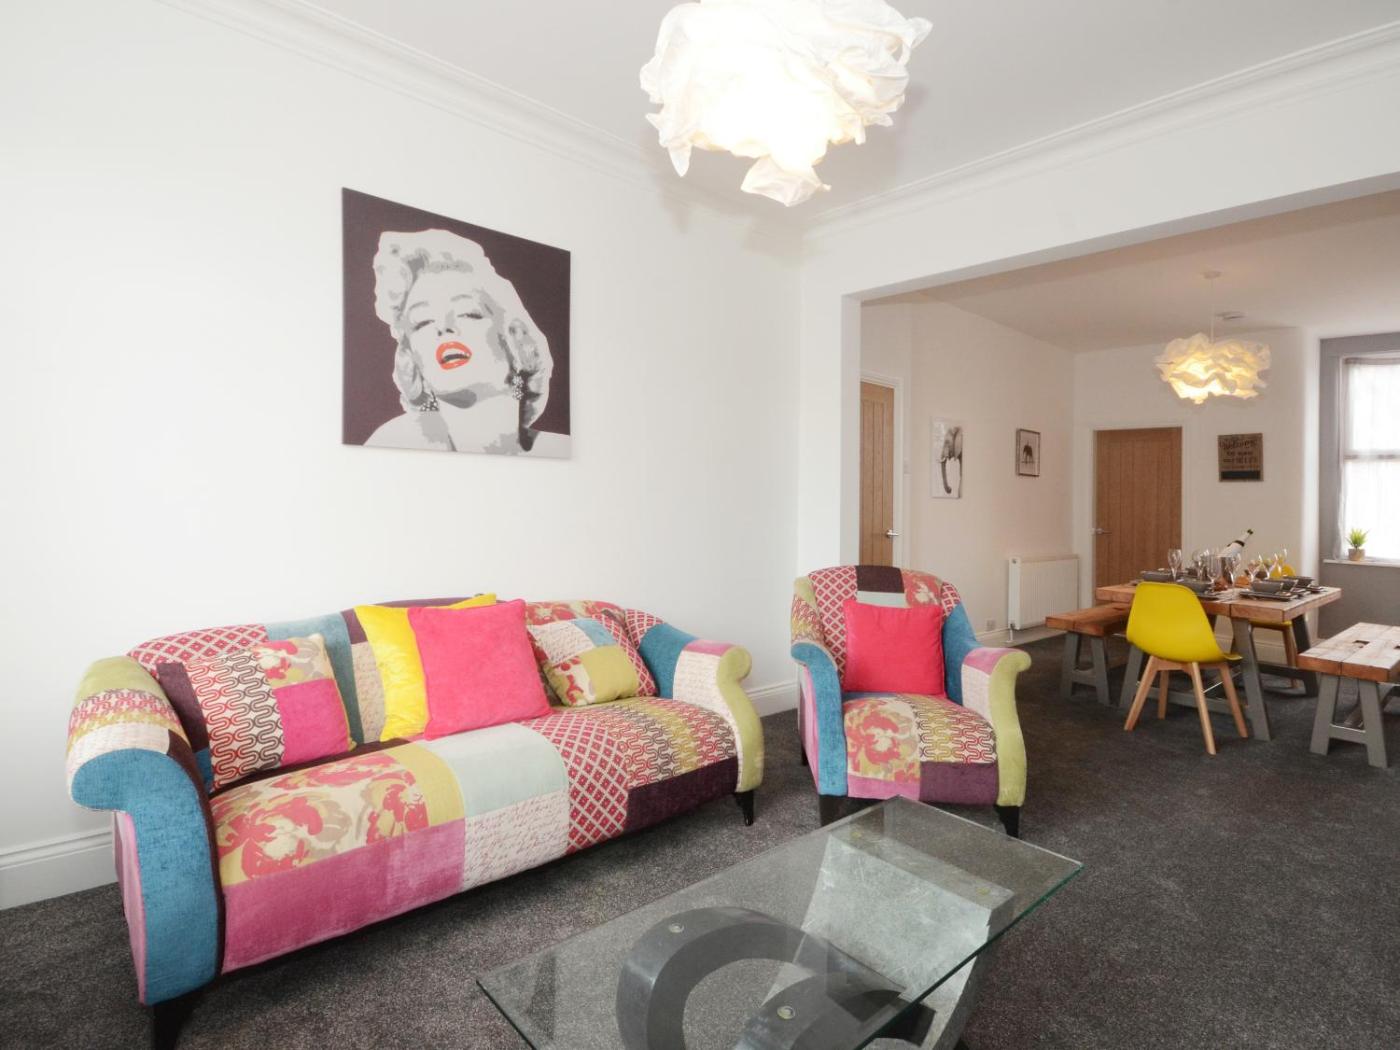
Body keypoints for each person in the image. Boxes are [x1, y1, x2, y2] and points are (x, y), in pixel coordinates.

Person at [365, 228, 566, 455]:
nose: (443, 327)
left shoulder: (558, 450)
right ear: (411, 359)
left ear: (516, 340)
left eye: (467, 313)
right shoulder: (396, 442)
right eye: (422, 322)